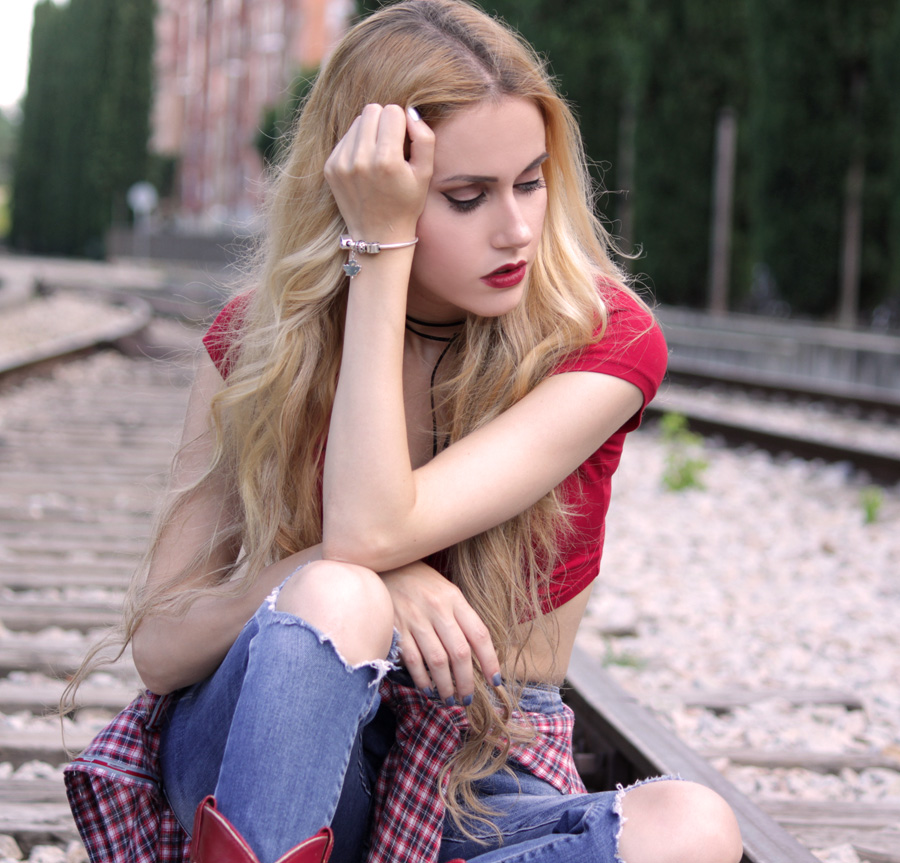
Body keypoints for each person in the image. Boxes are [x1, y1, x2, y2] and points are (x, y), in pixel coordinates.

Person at [64, 2, 743, 863]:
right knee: (338, 596)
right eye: (466, 196)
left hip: (480, 777)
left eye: (530, 182)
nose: (516, 228)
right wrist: (379, 251)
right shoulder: (258, 344)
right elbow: (163, 649)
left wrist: (366, 558)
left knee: (693, 828)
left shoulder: (600, 340)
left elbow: (373, 529)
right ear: (362, 187)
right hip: (267, 750)